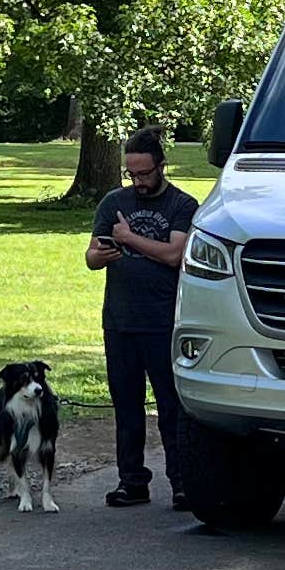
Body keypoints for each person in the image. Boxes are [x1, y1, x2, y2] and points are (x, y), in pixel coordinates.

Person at [85, 125, 198, 508]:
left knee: (171, 406)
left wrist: (130, 238)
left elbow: (174, 255)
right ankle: (132, 481)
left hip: (163, 321)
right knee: (126, 406)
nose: (139, 182)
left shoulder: (182, 205)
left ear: (162, 166)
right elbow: (90, 257)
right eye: (132, 174)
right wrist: (100, 255)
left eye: (145, 173)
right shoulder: (113, 202)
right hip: (120, 320)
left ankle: (183, 482)